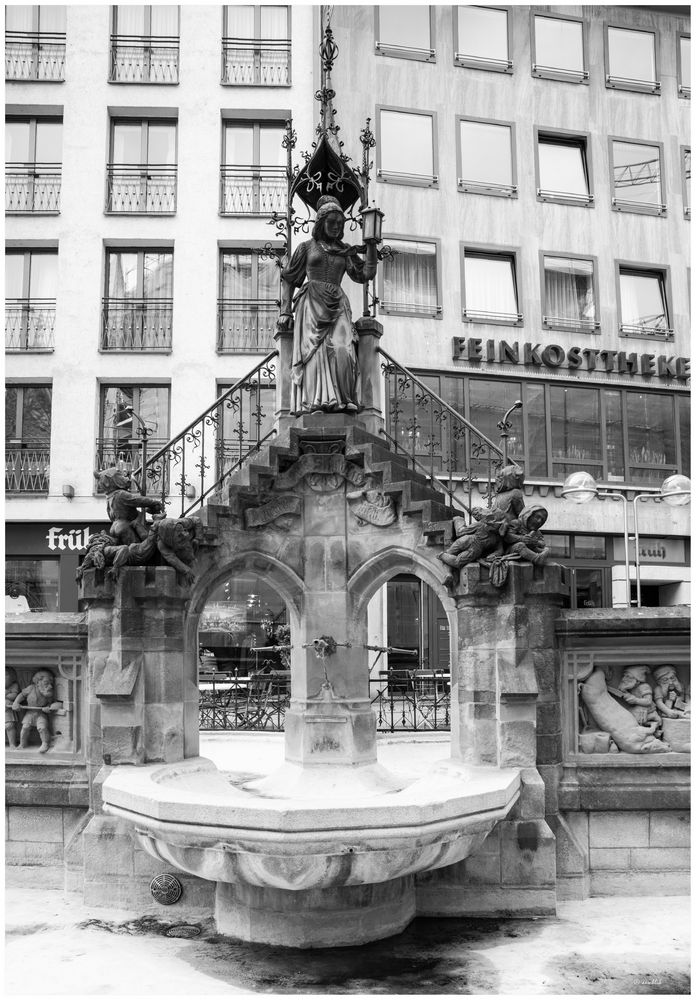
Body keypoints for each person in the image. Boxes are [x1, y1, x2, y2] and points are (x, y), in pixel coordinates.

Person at [277, 195, 378, 414]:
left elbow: (365, 274)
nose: (335, 227)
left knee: (343, 349)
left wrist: (371, 245)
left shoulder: (345, 250)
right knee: (314, 354)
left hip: (337, 303)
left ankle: (344, 398)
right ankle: (316, 402)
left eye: (340, 224)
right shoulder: (306, 248)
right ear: (321, 222)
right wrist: (285, 311)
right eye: (331, 222)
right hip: (311, 304)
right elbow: (288, 278)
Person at [12, 668, 63, 753]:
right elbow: (22, 695)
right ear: (38, 682)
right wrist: (16, 703)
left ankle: (45, 743)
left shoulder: (48, 692)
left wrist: (48, 708)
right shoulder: (31, 688)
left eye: (51, 683)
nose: (49, 686)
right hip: (30, 713)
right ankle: (22, 744)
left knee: (42, 728)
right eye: (46, 683)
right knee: (25, 727)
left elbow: (54, 704)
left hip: (41, 714)